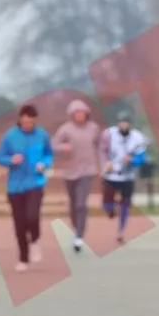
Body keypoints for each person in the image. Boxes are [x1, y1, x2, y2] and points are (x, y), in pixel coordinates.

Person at [0, 104, 53, 271]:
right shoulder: (10, 136)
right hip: (15, 186)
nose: (28, 125)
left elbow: (49, 154)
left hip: (35, 183)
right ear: (20, 119)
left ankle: (34, 240)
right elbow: (0, 157)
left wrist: (44, 164)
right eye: (26, 122)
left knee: (32, 216)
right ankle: (23, 258)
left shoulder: (42, 135)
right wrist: (11, 160)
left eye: (31, 122)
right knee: (19, 224)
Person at [52, 99, 101, 253]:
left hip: (87, 171)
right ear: (71, 115)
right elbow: (53, 145)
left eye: (82, 113)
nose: (79, 115)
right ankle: (76, 228)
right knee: (73, 205)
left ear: (86, 114)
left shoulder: (93, 128)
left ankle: (79, 236)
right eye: (76, 113)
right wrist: (63, 147)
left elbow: (100, 148)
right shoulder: (65, 129)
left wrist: (101, 165)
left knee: (81, 204)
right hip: (70, 172)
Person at [99, 110, 150, 243]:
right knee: (107, 204)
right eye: (121, 123)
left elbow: (142, 158)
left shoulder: (137, 138)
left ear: (130, 124)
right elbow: (102, 151)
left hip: (128, 176)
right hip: (111, 175)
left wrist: (132, 160)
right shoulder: (109, 134)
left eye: (126, 123)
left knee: (125, 205)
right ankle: (111, 209)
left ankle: (120, 231)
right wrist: (106, 163)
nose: (124, 125)